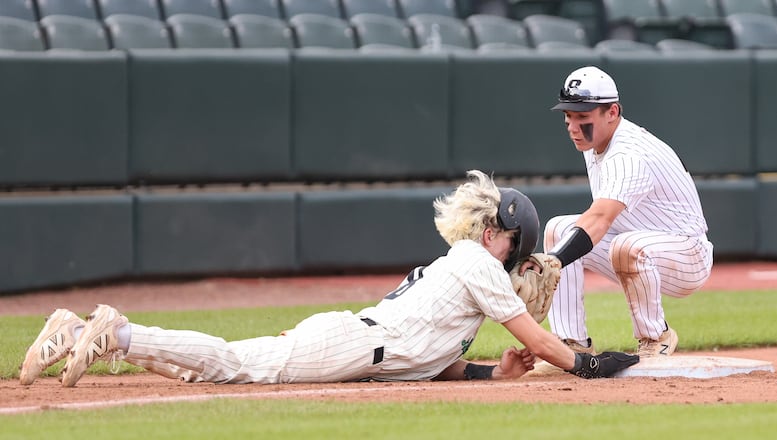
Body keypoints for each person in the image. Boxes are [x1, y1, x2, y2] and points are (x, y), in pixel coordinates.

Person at [20, 170, 638, 387]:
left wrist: (488, 373)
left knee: (224, 365)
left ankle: (77, 330)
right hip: (349, 343)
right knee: (231, 365)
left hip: (355, 342)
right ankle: (117, 334)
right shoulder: (479, 265)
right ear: (490, 234)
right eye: (513, 244)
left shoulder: (469, 279)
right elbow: (540, 342)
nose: (514, 256)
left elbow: (430, 362)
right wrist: (587, 364)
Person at [538, 66, 714, 357]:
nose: (572, 126)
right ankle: (571, 347)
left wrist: (551, 262)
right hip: (639, 241)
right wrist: (550, 258)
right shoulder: (593, 141)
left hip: (686, 254)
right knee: (558, 229)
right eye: (568, 116)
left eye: (582, 116)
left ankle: (656, 337)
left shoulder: (629, 153)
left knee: (624, 245)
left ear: (612, 112)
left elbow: (600, 217)